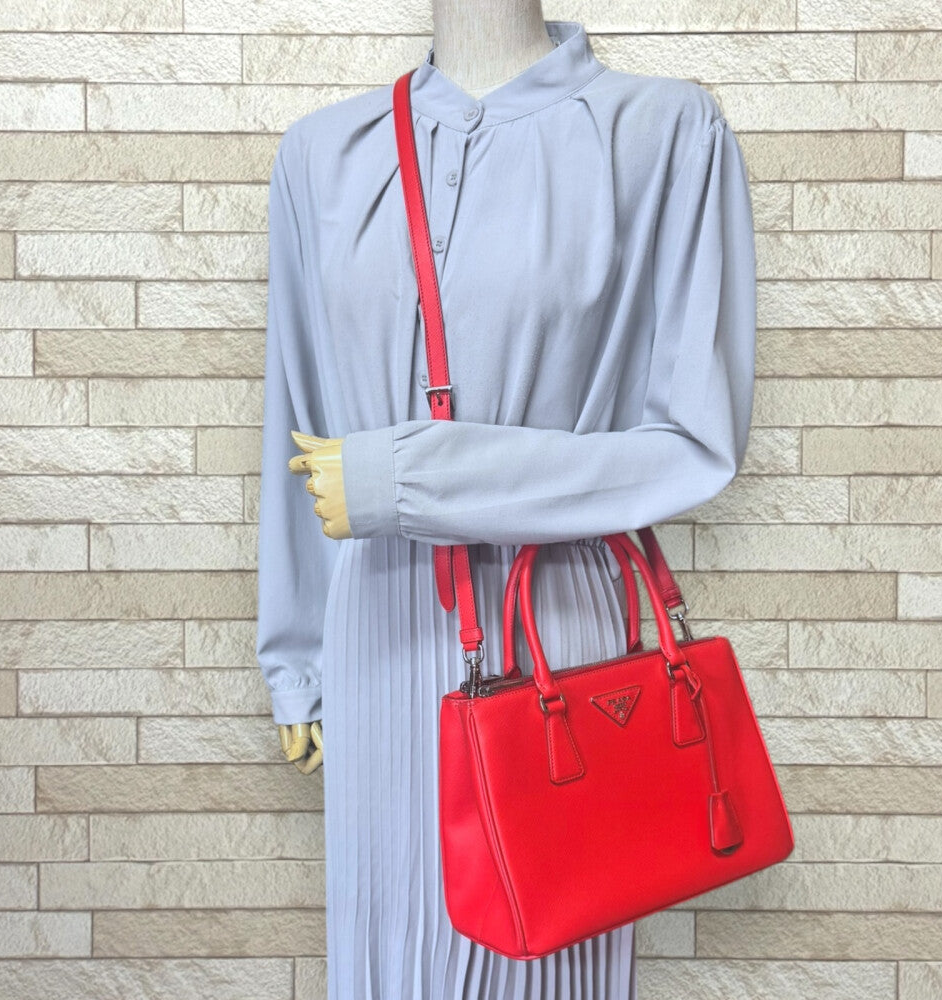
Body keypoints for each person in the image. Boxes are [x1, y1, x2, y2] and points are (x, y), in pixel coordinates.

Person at [256, 11, 756, 999]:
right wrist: (299, 659)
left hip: (553, 629)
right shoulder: (321, 156)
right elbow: (301, 426)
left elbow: (693, 444)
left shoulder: (663, 132)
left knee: (547, 940)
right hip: (375, 633)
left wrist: (411, 479)